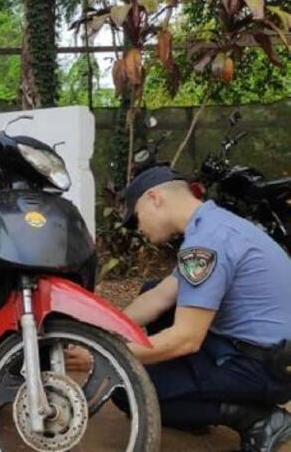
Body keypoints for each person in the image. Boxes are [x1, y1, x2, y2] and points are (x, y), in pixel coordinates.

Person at [73, 165, 291, 451]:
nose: (138, 228)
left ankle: (256, 418)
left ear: (155, 198)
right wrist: (97, 332)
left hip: (264, 368)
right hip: (259, 351)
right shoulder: (214, 224)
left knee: (126, 388)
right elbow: (160, 297)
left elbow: (186, 339)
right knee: (154, 289)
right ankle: (200, 396)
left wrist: (102, 355)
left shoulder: (206, 242)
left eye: (136, 217)